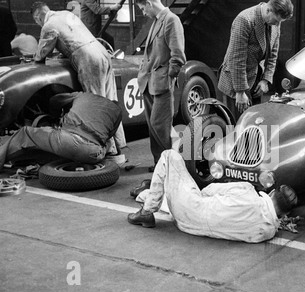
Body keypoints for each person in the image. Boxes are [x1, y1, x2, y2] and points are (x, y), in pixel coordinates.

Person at [127, 150, 298, 243]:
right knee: (181, 194)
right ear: (283, 215)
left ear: (272, 192)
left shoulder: (247, 190)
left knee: (169, 156)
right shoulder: (267, 232)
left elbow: (209, 190)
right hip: (189, 228)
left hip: (189, 211)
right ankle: (148, 192)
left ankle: (146, 212)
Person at [31, 2, 127, 158]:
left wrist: (35, 59)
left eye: (37, 22)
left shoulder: (48, 26)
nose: (38, 24)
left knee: (96, 104)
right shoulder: (66, 14)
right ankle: (119, 145)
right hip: (102, 53)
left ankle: (107, 150)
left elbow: (41, 54)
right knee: (110, 100)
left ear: (38, 16)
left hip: (88, 60)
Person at [0, 92, 122, 170]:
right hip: (93, 153)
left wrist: (56, 115)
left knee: (25, 132)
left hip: (66, 141)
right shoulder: (117, 112)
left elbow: (55, 100)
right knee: (106, 144)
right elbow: (109, 136)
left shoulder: (84, 96)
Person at [135, 0, 186, 171]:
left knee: (160, 124)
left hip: (162, 82)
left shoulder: (171, 20)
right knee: (152, 125)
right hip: (148, 82)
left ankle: (171, 164)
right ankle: (159, 163)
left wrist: (169, 76)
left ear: (149, 3)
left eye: (142, 8)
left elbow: (178, 55)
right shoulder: (157, 20)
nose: (143, 12)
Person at [218, 0, 293, 115]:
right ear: (268, 10)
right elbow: (237, 59)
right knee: (237, 126)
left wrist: (265, 80)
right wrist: (240, 92)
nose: (277, 25)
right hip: (236, 80)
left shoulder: (275, 22)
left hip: (256, 80)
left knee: (255, 124)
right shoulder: (244, 20)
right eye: (276, 21)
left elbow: (273, 55)